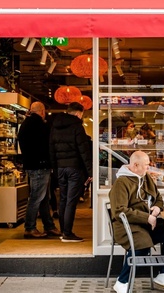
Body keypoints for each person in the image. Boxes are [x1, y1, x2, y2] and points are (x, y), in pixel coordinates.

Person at [109, 151, 164, 293]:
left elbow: (159, 198)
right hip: (127, 226)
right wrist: (146, 217)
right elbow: (119, 211)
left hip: (147, 224)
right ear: (135, 165)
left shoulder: (145, 177)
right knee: (142, 241)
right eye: (147, 165)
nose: (149, 168)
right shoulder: (121, 183)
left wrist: (156, 209)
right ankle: (122, 281)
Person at [49, 101, 93, 243]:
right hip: (74, 168)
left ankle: (63, 231)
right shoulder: (77, 126)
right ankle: (67, 233)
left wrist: (55, 168)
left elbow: (51, 149)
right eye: (82, 114)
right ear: (78, 113)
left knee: (63, 199)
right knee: (71, 201)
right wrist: (90, 171)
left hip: (60, 168)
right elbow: (84, 150)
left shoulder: (55, 126)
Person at [17, 101, 60, 239]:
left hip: (32, 165)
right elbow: (46, 146)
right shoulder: (40, 125)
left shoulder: (26, 124)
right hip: (40, 166)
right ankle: (30, 227)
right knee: (37, 197)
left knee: (43, 198)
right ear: (42, 111)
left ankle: (49, 226)